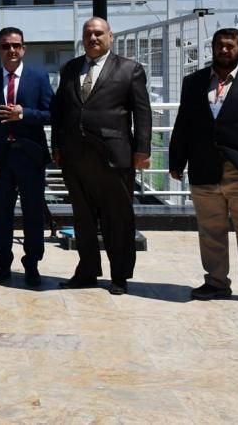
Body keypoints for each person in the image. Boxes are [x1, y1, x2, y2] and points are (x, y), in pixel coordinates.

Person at [169, 28, 238, 308]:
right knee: (210, 230)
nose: (224, 50)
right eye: (220, 45)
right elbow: (184, 123)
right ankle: (216, 282)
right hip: (204, 168)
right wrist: (176, 160)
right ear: (213, 48)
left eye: (230, 46)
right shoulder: (194, 82)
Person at [51, 17, 152, 295]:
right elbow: (59, 111)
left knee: (117, 219)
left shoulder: (130, 69)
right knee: (82, 219)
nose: (93, 38)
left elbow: (142, 113)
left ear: (110, 37)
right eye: (88, 34)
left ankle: (119, 275)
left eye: (98, 33)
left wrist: (142, 150)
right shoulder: (70, 68)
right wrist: (57, 146)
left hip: (114, 157)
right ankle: (87, 271)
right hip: (75, 157)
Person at [0, 28, 53, 287]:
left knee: (33, 215)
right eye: (5, 46)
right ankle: (2, 266)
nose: (11, 50)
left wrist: (24, 114)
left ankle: (32, 265)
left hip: (30, 157)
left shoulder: (39, 78)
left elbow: (52, 114)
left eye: (16, 45)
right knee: (0, 216)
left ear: (24, 48)